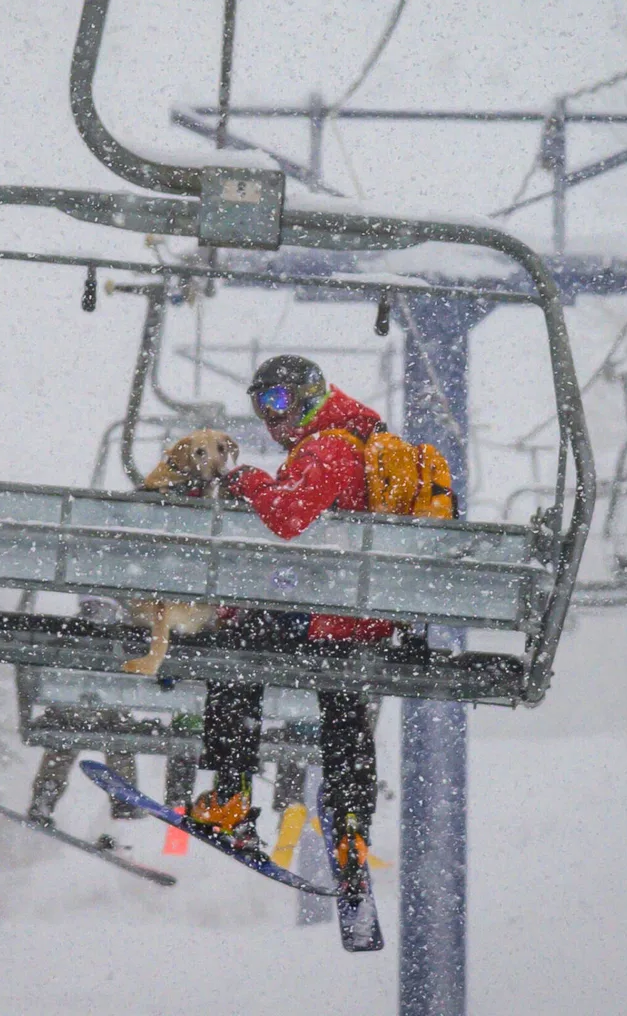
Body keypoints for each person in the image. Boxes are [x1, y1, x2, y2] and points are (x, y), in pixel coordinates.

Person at [188, 355, 400, 893]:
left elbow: (289, 517)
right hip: (350, 612)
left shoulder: (331, 443)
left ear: (309, 395)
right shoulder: (343, 438)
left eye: (278, 402)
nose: (270, 420)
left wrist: (251, 481)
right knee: (342, 710)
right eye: (261, 408)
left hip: (336, 615)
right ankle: (351, 830)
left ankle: (231, 795)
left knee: (235, 650)